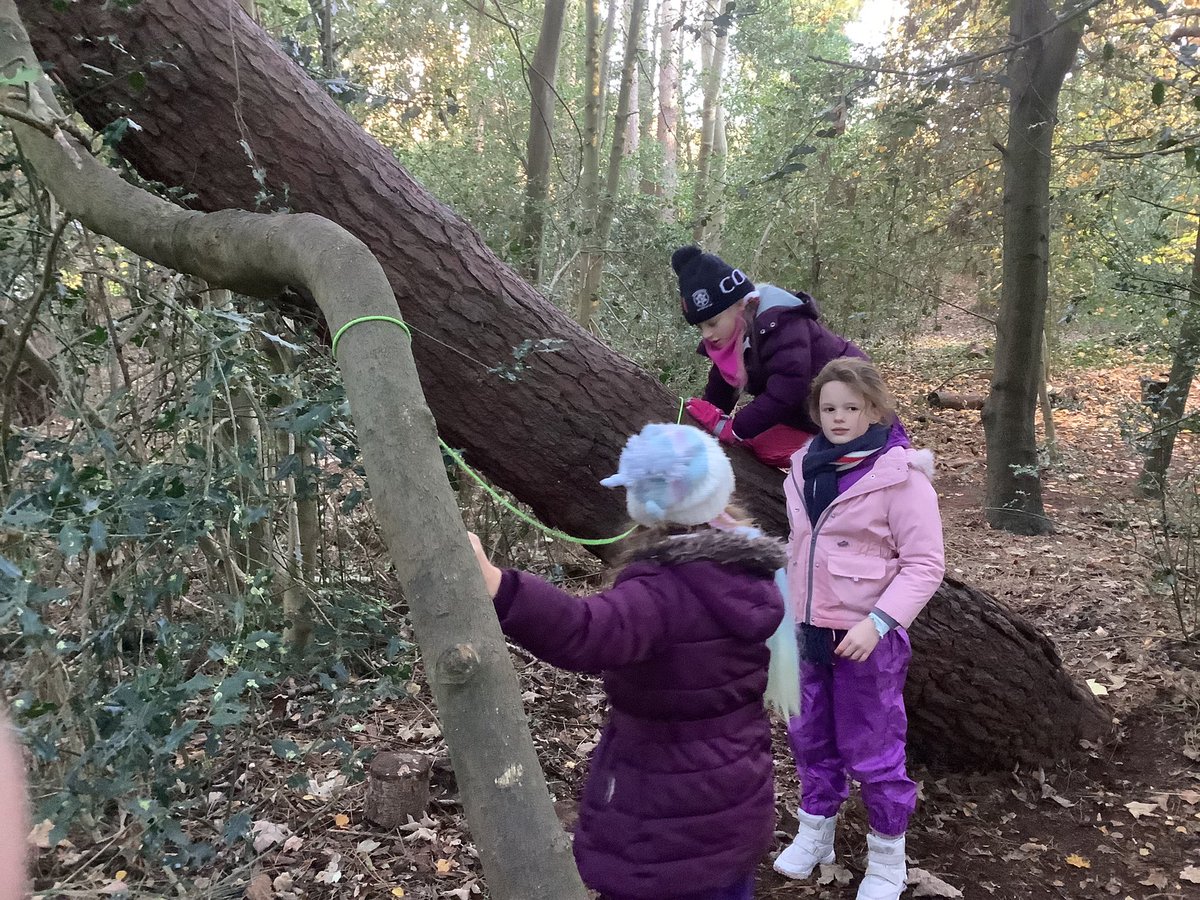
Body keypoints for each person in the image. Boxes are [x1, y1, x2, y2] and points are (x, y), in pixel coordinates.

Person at [468, 423, 786, 900]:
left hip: (663, 813)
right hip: (734, 794)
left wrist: (498, 584)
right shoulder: (747, 571)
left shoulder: (661, 592)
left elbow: (585, 630)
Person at [773, 358, 944, 900]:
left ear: (874, 409)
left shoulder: (901, 476)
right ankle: (815, 832)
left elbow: (924, 564)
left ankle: (888, 858)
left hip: (867, 639)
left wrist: (879, 622)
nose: (839, 417)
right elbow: (804, 548)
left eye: (851, 407)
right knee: (810, 736)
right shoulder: (802, 468)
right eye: (829, 408)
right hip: (807, 631)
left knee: (874, 747)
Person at [673, 245, 867, 468]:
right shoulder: (730, 339)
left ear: (740, 305)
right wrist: (705, 419)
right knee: (761, 447)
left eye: (712, 323)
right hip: (804, 413)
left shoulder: (781, 323)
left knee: (764, 442)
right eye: (700, 327)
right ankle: (825, 454)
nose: (707, 334)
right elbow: (722, 387)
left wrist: (735, 428)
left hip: (851, 397)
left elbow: (790, 385)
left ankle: (846, 455)